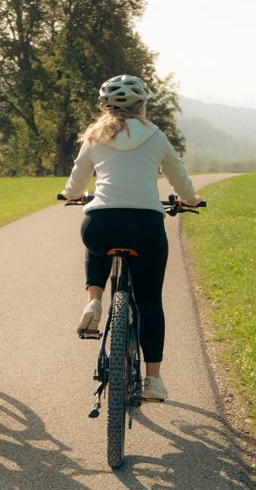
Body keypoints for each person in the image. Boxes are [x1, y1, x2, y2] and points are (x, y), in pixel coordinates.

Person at [62, 74, 200, 402]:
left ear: (105, 107)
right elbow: (179, 177)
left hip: (101, 223)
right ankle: (153, 381)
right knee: (150, 301)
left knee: (96, 239)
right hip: (146, 226)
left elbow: (77, 180)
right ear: (143, 105)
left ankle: (93, 301)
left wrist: (71, 194)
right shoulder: (156, 136)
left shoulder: (94, 137)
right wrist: (190, 200)